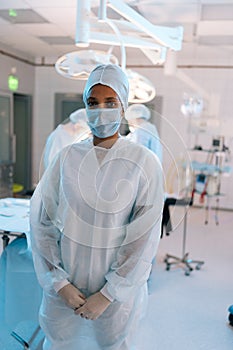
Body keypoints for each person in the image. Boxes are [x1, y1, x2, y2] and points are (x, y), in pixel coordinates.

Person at [30, 64, 164, 350]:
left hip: (115, 299)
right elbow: (42, 222)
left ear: (124, 107)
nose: (100, 110)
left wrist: (109, 293)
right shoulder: (67, 158)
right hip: (66, 290)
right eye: (93, 102)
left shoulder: (143, 162)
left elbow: (143, 237)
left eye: (110, 102)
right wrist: (58, 282)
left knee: (110, 344)